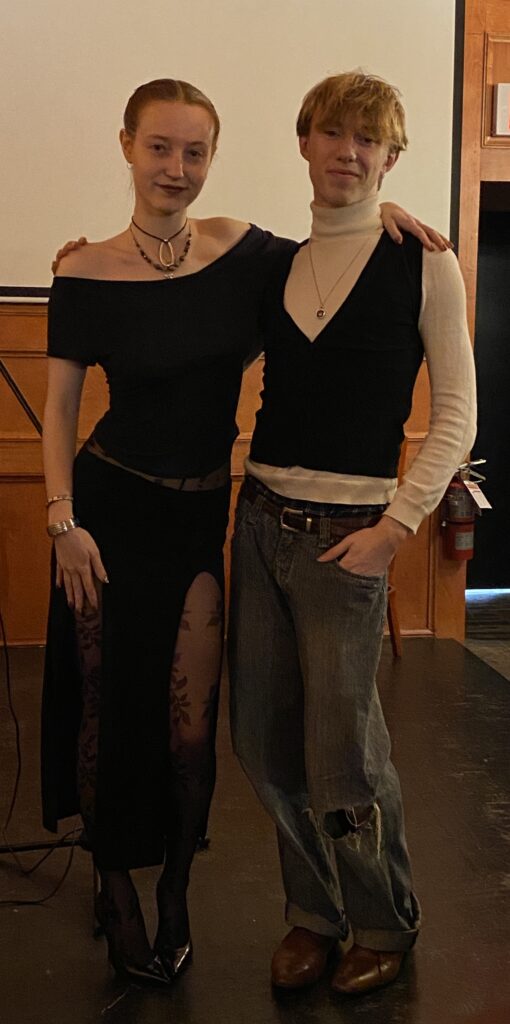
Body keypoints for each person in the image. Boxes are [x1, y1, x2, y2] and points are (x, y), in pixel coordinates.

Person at [44, 77, 445, 986]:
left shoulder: (246, 254)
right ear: (126, 146)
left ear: (213, 158)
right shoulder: (86, 271)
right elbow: (60, 410)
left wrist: (392, 214)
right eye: (159, 147)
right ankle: (127, 890)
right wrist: (60, 518)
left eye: (194, 152)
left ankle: (193, 894)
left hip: (210, 520)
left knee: (218, 733)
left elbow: (338, 250)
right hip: (120, 517)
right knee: (136, 716)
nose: (175, 167)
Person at [228, 71, 477, 997]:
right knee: (261, 742)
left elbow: (456, 416)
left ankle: (381, 918)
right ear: (305, 142)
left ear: (391, 157)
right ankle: (314, 913)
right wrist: (87, 256)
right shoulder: (275, 266)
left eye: (368, 140)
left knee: (345, 754)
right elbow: (181, 268)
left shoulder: (426, 263)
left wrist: (396, 527)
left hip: (350, 539)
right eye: (333, 133)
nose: (349, 151)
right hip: (259, 525)